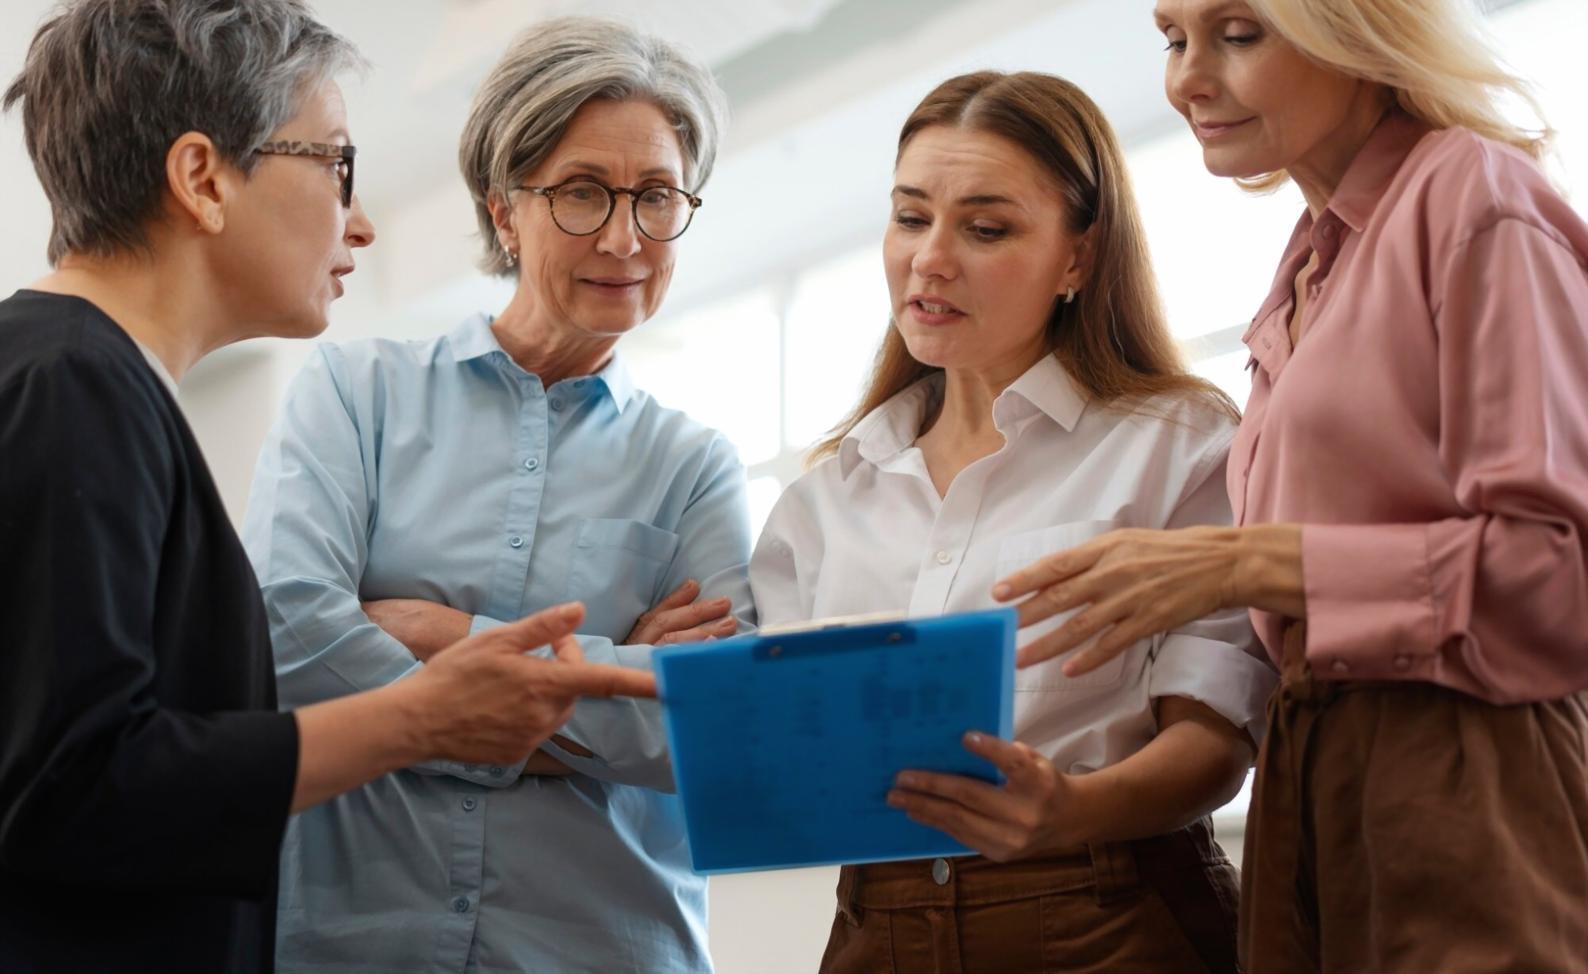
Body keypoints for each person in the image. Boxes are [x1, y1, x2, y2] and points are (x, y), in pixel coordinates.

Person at [0, 3, 655, 973]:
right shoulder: (70, 383)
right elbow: (71, 785)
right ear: (202, 177)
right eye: (336, 162)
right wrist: (423, 714)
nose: (361, 216)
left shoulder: (82, 380)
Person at [998, 1, 1588, 970]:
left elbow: (1555, 574)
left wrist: (1242, 561)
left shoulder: (1474, 198)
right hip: (1306, 772)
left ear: (1356, 31)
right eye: (1172, 38)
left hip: (1461, 759)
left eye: (1238, 33)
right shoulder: (1311, 259)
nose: (1186, 78)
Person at [242, 16, 749, 973]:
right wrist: (605, 676)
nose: (623, 236)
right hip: (348, 947)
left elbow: (710, 730)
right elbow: (284, 637)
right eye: (583, 193)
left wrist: (436, 637)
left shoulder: (696, 467)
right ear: (504, 209)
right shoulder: (354, 395)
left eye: (656, 197)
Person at [750, 70, 1276, 973]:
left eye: (985, 228)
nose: (931, 258)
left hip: (1112, 914)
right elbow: (780, 744)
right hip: (876, 920)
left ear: (1078, 258)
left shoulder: (1179, 444)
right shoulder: (827, 497)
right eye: (911, 217)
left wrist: (1074, 809)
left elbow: (1216, 737)